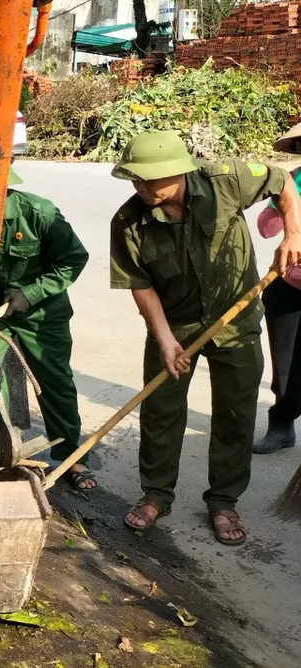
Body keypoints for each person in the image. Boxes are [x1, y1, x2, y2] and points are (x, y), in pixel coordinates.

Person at [110, 131, 301, 546]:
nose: (140, 188)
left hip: (236, 321)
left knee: (235, 413)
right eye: (135, 180)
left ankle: (223, 500)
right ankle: (156, 494)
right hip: (174, 323)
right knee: (161, 410)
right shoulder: (129, 221)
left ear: (177, 172)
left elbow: (283, 182)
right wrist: (163, 340)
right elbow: (140, 285)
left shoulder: (226, 181)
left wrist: (293, 234)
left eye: (149, 180)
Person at [0, 167, 93, 490]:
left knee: (54, 379)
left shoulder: (38, 214)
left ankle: (73, 456)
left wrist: (29, 294)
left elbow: (74, 259)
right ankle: (2, 446)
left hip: (43, 311)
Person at [253, 121, 301, 454]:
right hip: (288, 284)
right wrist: (280, 209)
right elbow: (266, 229)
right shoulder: (293, 180)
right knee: (286, 369)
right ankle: (281, 424)